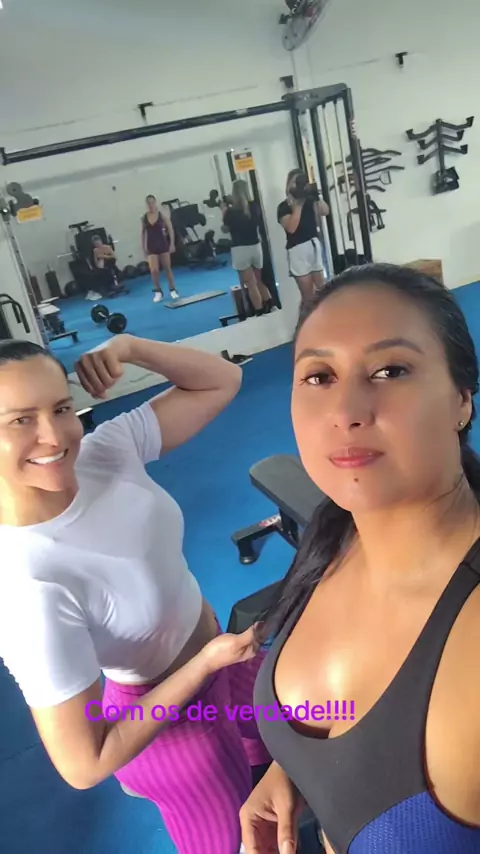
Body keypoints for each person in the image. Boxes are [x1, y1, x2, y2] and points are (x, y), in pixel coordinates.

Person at [240, 264, 480, 854]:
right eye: (319, 376)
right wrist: (299, 769)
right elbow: (353, 728)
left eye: (390, 370)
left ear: (461, 400)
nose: (345, 410)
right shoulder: (335, 535)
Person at [0, 334, 270, 854]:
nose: (54, 436)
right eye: (20, 420)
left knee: (300, 752)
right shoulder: (25, 587)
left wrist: (129, 347)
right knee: (241, 843)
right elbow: (84, 765)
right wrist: (204, 665)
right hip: (176, 732)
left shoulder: (101, 453)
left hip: (227, 660)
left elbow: (222, 380)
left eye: (61, 408)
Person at [277, 169, 329, 302]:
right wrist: (298, 205)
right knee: (308, 295)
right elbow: (291, 228)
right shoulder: (283, 207)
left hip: (314, 246)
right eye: (295, 182)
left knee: (323, 291)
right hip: (297, 250)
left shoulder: (310, 201)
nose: (297, 186)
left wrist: (316, 196)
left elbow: (325, 211)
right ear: (289, 185)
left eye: (300, 182)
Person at [222, 180, 272, 316]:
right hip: (256, 247)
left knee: (251, 284)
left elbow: (225, 229)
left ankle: (259, 312)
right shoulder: (254, 207)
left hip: (241, 249)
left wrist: (223, 211)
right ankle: (270, 307)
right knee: (259, 281)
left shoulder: (231, 212)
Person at [142, 195, 179, 302]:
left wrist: (172, 244)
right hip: (151, 246)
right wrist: (143, 247)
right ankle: (158, 292)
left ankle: (172, 289)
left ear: (155, 203)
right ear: (147, 204)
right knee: (154, 270)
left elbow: (170, 229)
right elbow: (143, 233)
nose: (151, 205)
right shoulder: (144, 218)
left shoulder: (161, 215)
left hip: (162, 245)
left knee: (167, 268)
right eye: (149, 203)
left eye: (152, 202)